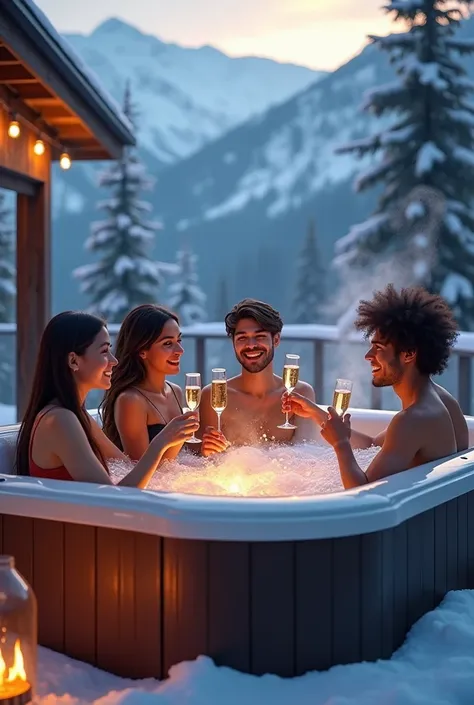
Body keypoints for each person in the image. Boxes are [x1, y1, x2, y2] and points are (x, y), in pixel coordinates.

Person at [283, 284, 469, 489]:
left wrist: (340, 444)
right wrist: (316, 413)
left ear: (408, 354)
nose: (368, 356)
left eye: (379, 348)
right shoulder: (442, 400)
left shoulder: (413, 419)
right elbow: (372, 445)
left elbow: (360, 492)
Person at [15, 311, 199, 487]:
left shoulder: (78, 416)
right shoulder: (60, 420)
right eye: (104, 351)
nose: (114, 360)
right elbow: (113, 498)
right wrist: (161, 441)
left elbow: (127, 467)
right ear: (73, 361)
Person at [199, 298, 318, 456]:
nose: (250, 345)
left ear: (276, 340)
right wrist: (206, 452)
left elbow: (308, 458)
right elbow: (199, 464)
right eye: (242, 338)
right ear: (234, 343)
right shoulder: (214, 396)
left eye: (260, 336)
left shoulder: (300, 394)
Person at [101, 304, 187, 461]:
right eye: (168, 343)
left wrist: (204, 447)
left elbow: (177, 461)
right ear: (142, 351)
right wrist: (177, 440)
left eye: (179, 340)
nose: (180, 350)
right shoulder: (131, 400)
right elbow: (141, 471)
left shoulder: (175, 391)